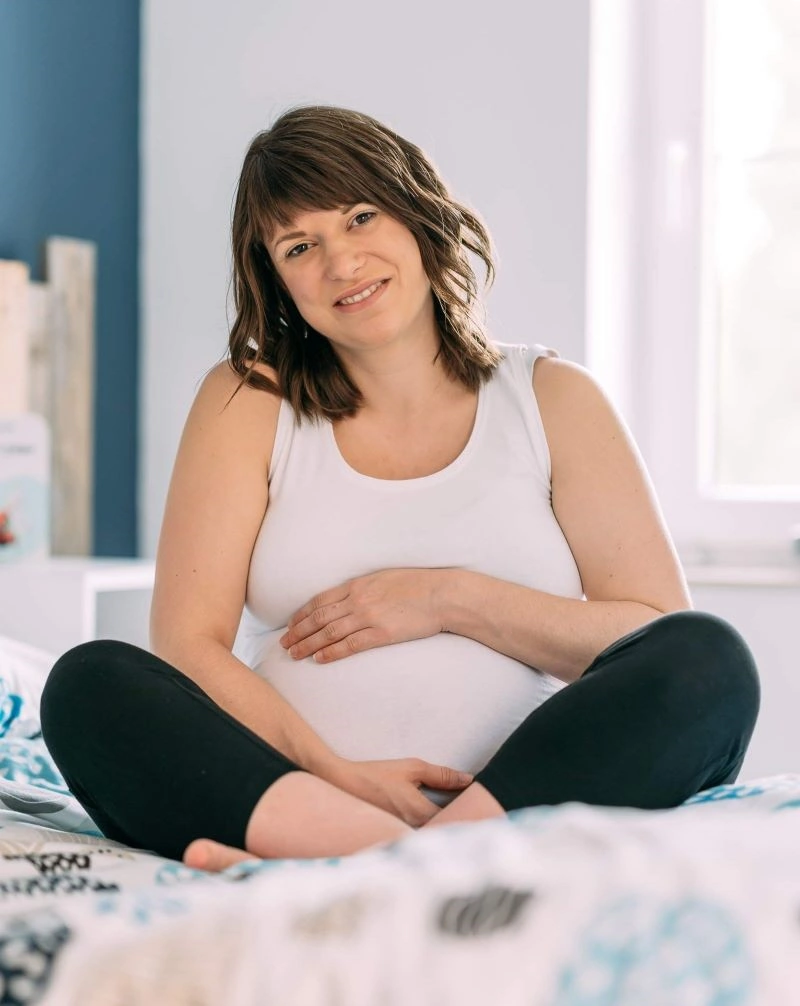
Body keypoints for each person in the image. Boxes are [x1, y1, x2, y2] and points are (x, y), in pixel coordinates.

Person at [39, 105, 760, 873]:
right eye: (299, 245)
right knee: (88, 684)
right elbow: (189, 644)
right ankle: (413, 863)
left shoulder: (554, 398)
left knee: (708, 658)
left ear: (418, 214)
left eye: (360, 216)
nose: (341, 262)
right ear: (276, 278)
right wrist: (334, 776)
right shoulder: (248, 398)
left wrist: (448, 598)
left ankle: (396, 863)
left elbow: (649, 636)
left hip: (523, 798)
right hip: (304, 795)